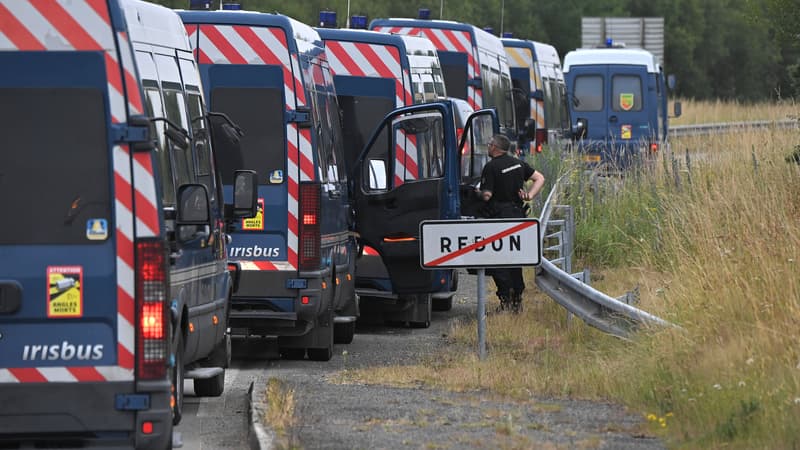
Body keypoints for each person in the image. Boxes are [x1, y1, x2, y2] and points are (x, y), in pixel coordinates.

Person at [477, 134, 545, 313]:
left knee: (498, 259)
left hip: (498, 218)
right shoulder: (518, 163)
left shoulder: (491, 167)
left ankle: (505, 299)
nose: (488, 147)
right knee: (515, 257)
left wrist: (476, 193)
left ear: (495, 147)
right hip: (517, 216)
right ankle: (517, 298)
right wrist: (529, 196)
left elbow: (487, 196)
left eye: (489, 144)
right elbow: (540, 178)